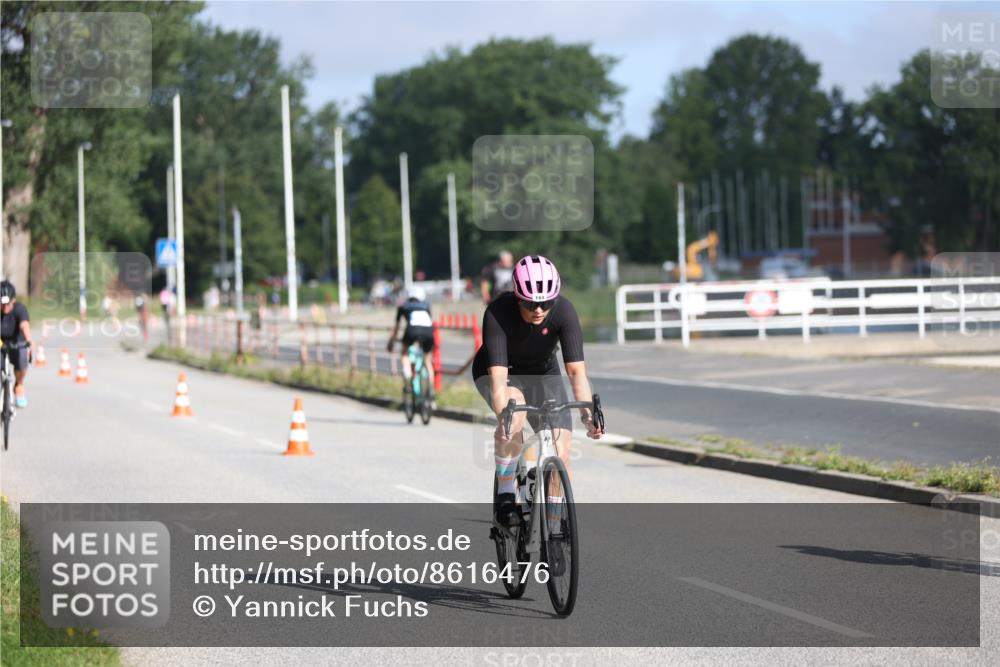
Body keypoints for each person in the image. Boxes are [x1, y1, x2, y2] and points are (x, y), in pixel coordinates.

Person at [471, 255, 603, 527]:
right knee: (514, 415)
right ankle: (507, 493)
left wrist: (588, 415)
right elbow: (498, 380)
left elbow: (576, 372)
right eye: (531, 303)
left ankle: (554, 529)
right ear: (518, 297)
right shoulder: (498, 313)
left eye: (546, 302)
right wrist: (504, 419)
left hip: (543, 372)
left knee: (561, 451)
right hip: (499, 370)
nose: (539, 309)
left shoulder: (564, 311)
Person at [386, 286, 435, 397]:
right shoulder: (426, 305)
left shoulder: (403, 306)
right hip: (428, 332)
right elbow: (429, 322)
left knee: (404, 352)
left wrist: (391, 342)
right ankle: (431, 391)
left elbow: (397, 329)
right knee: (427, 362)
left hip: (411, 331)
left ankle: (407, 375)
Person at [0, 281, 34, 408]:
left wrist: (28, 341)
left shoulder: (19, 309)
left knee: (21, 356)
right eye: (1, 304)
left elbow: (24, 325)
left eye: (7, 304)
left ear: (13, 300)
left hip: (16, 342)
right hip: (0, 343)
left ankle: (19, 386)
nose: (4, 308)